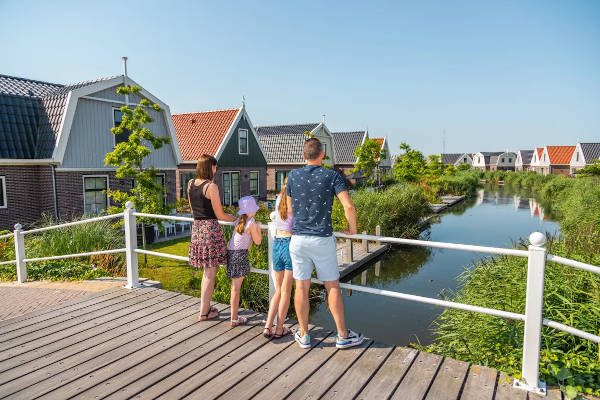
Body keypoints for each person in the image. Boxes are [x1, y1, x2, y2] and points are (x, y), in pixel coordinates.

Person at [287, 138, 364, 349]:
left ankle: (304, 335)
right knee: (332, 287)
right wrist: (353, 230)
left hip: (298, 240)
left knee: (301, 287)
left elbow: (290, 210)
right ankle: (342, 335)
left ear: (303, 156)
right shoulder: (332, 176)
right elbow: (348, 207)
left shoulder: (292, 176)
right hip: (322, 240)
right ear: (322, 155)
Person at [188, 154, 236, 321]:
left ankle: (206, 307)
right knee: (210, 273)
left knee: (205, 273)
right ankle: (203, 313)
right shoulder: (211, 187)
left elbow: (193, 209)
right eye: (215, 166)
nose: (216, 170)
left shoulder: (190, 184)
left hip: (197, 230)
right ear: (211, 167)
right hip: (210, 231)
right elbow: (220, 215)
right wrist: (237, 219)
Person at [263, 178, 293, 338]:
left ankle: (268, 326)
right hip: (289, 243)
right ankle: (279, 329)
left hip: (277, 244)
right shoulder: (293, 200)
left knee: (278, 291)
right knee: (286, 292)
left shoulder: (278, 199)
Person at [227, 196, 262, 327]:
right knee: (236, 289)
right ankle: (234, 318)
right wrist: (258, 227)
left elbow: (248, 241)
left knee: (234, 288)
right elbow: (258, 241)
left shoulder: (238, 221)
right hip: (240, 255)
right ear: (250, 211)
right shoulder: (252, 223)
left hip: (231, 254)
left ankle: (234, 317)